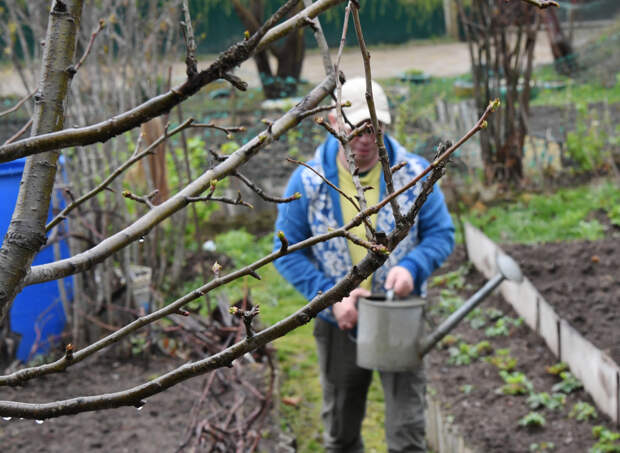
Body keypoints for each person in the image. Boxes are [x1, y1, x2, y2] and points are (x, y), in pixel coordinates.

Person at [273, 77, 454, 453]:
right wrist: (328, 297)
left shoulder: (415, 174)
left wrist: (413, 268)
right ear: (335, 122)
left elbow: (441, 234)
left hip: (399, 314)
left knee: (407, 432)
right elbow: (287, 252)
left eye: (376, 128)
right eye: (357, 128)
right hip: (340, 320)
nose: (367, 139)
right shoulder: (308, 182)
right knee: (341, 430)